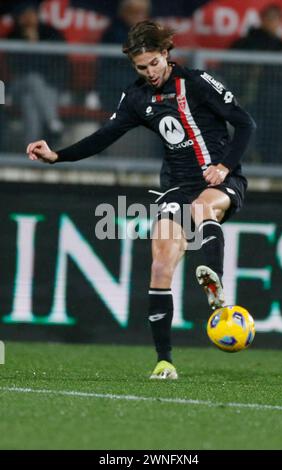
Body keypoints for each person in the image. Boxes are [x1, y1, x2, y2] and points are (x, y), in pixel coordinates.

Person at [26, 20, 256, 380]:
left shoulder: (196, 82)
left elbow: (246, 124)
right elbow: (103, 137)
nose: (149, 72)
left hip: (219, 178)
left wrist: (225, 166)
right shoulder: (136, 98)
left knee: (201, 209)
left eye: (153, 63)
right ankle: (164, 361)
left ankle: (216, 285)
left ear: (166, 54)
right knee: (161, 265)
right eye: (140, 67)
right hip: (176, 186)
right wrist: (57, 156)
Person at [230, 4, 282, 163]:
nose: (272, 22)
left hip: (279, 107)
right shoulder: (245, 44)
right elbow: (229, 70)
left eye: (276, 19)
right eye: (269, 18)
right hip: (244, 99)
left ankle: (274, 161)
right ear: (261, 19)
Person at [7, 1, 66, 146]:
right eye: (24, 15)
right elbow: (17, 69)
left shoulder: (51, 33)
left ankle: (31, 153)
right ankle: (53, 121)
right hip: (16, 88)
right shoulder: (13, 35)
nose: (28, 18)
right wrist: (30, 44)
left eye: (31, 14)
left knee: (29, 101)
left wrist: (36, 43)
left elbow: (58, 65)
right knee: (33, 79)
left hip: (48, 88)